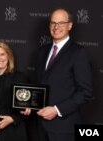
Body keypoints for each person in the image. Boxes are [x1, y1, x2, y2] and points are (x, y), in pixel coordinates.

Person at [34, 7, 93, 141]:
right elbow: (39, 86)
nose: (56, 27)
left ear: (70, 25)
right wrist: (29, 106)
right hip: (39, 128)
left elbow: (85, 92)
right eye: (53, 23)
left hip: (64, 130)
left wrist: (56, 110)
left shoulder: (79, 53)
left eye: (61, 23)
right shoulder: (42, 51)